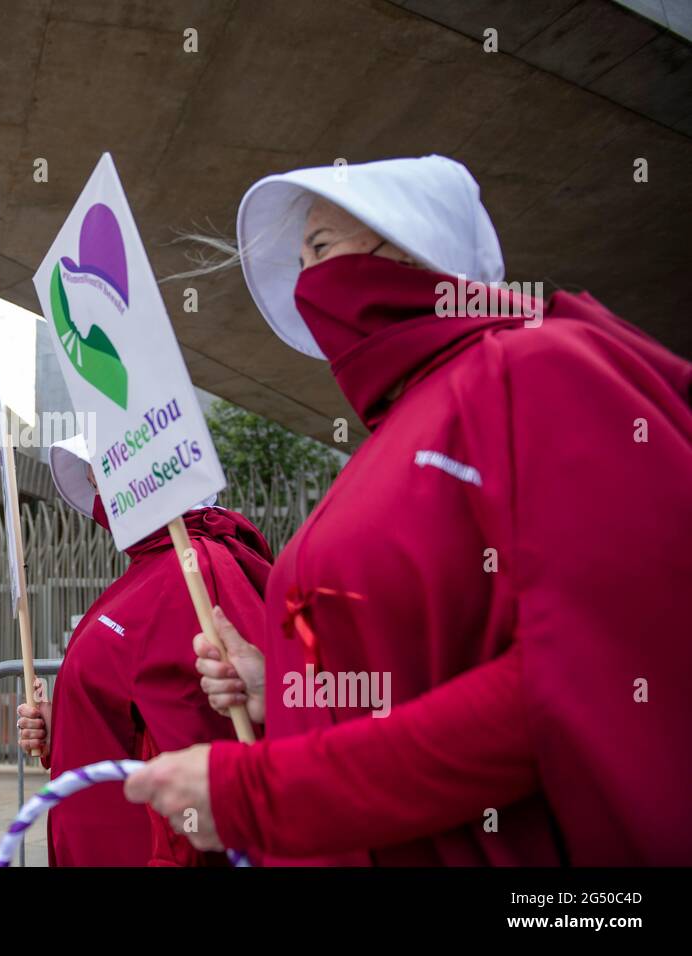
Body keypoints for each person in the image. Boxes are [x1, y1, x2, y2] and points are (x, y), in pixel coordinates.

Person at [124, 155, 692, 865]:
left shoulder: (537, 367)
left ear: (411, 247)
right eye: (300, 262)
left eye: (323, 249)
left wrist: (264, 793)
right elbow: (425, 664)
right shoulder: (388, 445)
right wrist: (286, 686)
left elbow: (580, 680)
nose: (308, 285)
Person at [17, 433, 272, 866]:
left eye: (103, 474)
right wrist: (61, 724)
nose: (97, 492)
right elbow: (133, 705)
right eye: (93, 481)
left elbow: (213, 734)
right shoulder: (150, 570)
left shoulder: (198, 566)